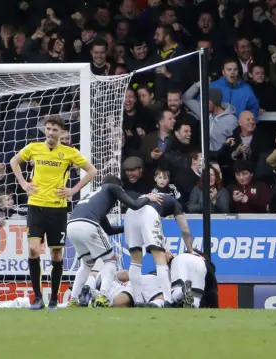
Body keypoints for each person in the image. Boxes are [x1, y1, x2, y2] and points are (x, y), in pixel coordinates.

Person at [9, 116, 97, 310]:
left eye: (54, 130)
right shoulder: (33, 148)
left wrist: (73, 190)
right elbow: (14, 162)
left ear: (61, 133)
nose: (50, 133)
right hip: (36, 205)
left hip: (57, 208)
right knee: (33, 249)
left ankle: (54, 299)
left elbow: (91, 171)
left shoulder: (69, 153)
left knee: (56, 255)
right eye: (48, 129)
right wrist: (24, 183)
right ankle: (38, 297)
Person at [66, 175, 162, 308]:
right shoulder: (113, 187)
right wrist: (148, 198)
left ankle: (74, 300)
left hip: (71, 225)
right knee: (110, 260)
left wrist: (128, 227)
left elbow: (109, 230)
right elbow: (134, 205)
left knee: (87, 263)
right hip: (87, 224)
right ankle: (103, 296)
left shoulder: (95, 198)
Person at [124, 193, 192, 306]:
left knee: (135, 261)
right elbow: (185, 230)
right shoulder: (175, 202)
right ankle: (168, 300)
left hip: (130, 213)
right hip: (149, 212)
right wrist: (191, 250)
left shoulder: (151, 195)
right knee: (160, 258)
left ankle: (138, 300)